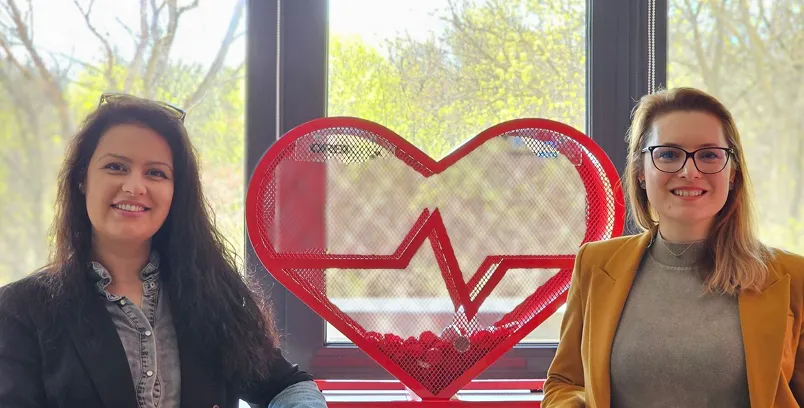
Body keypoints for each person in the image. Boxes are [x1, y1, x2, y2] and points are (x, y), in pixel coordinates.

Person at [0, 94, 328, 408]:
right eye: (115, 167)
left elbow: (287, 384)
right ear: (83, 179)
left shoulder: (213, 294)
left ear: (176, 192)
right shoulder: (21, 311)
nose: (135, 186)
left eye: (156, 173)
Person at [542, 87, 804, 408]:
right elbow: (566, 382)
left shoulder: (793, 277)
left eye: (709, 155)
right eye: (668, 154)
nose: (689, 171)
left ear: (732, 172)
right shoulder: (595, 264)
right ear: (640, 171)